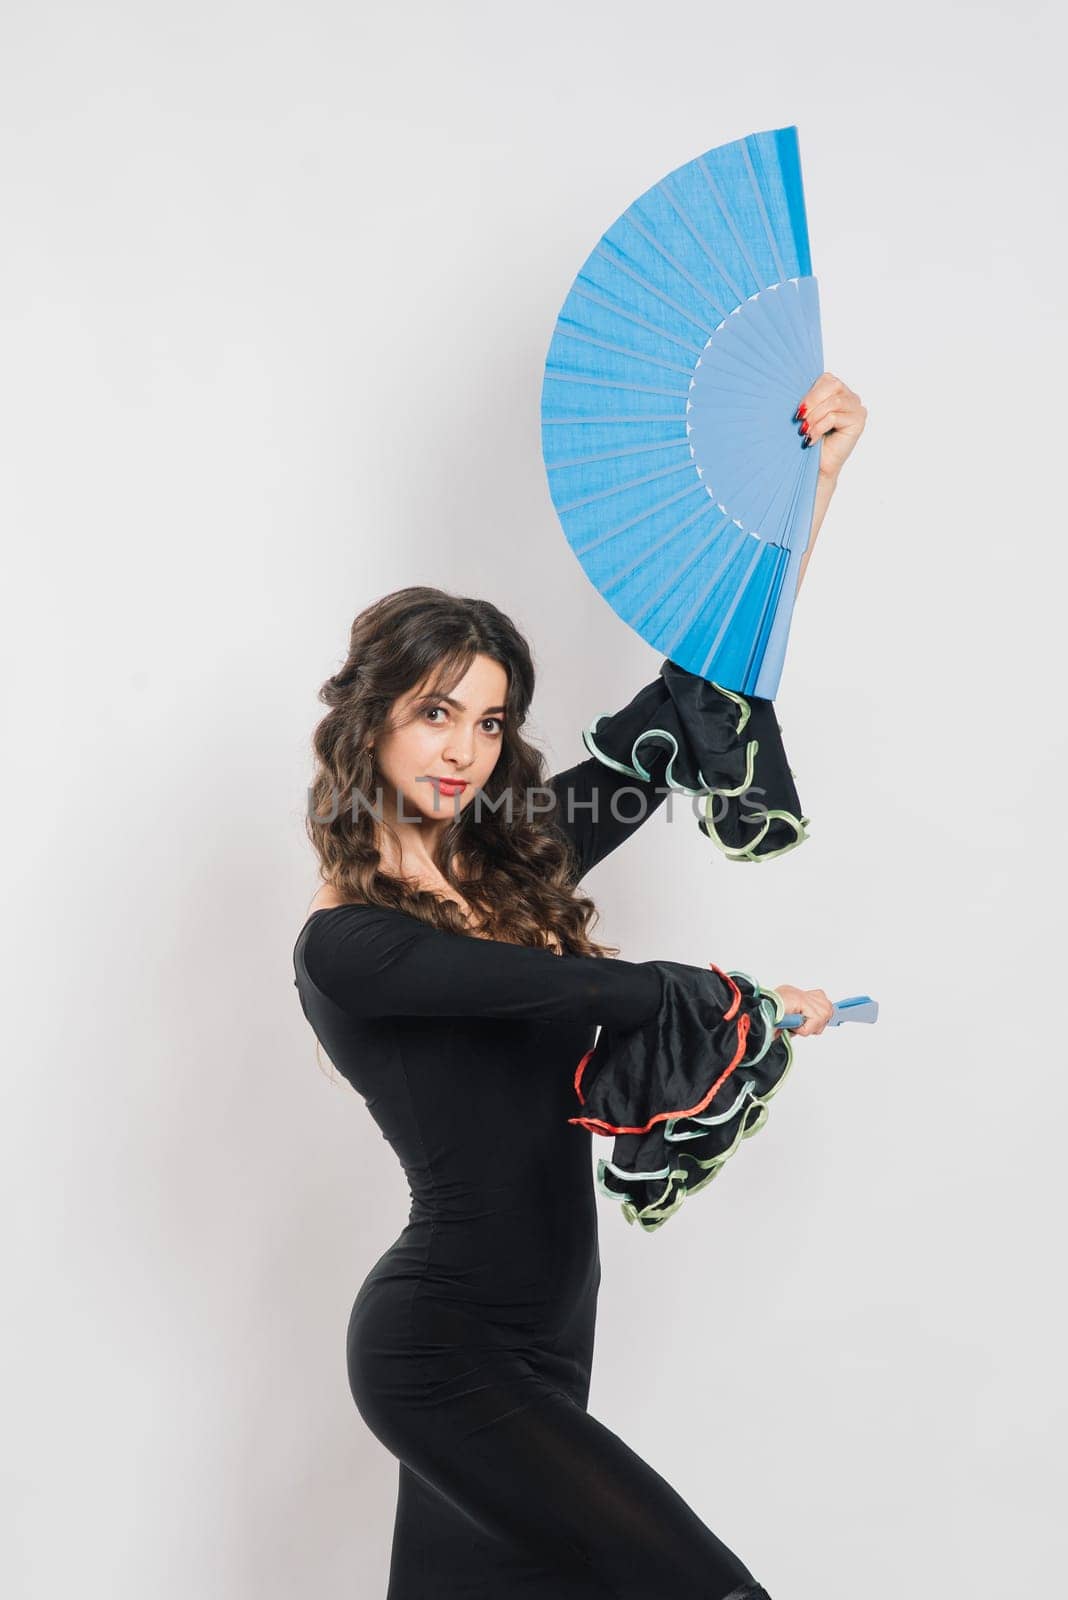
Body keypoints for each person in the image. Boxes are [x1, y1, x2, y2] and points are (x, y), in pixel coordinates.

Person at [292, 378, 865, 1597]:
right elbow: (567, 999)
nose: (465, 749)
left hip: (548, 1342)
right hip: (442, 1352)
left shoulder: (510, 870)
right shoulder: (348, 947)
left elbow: (696, 699)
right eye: (437, 711)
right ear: (372, 721)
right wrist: (739, 1005)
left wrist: (811, 487)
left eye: (491, 723)